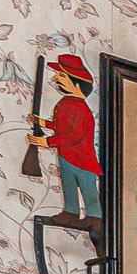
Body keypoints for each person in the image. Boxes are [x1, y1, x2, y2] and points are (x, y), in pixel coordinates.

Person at [30, 53, 102, 220]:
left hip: (82, 160)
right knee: (68, 185)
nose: (56, 78)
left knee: (87, 187)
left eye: (61, 75)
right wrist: (42, 123)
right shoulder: (66, 103)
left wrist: (47, 141)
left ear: (76, 83)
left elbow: (72, 136)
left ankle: (94, 218)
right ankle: (71, 212)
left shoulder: (79, 108)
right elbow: (61, 126)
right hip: (66, 156)